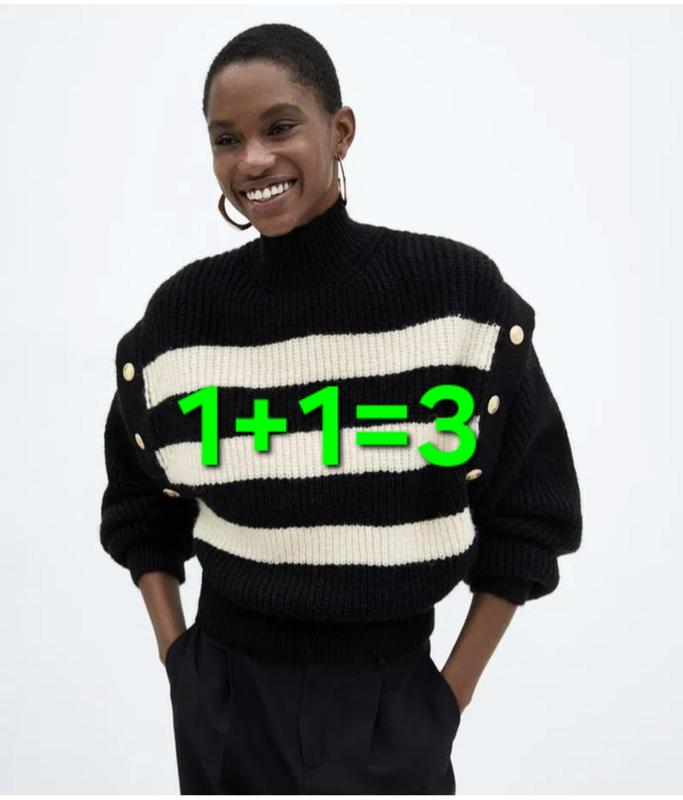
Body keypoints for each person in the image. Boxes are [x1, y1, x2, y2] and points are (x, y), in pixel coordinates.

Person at [99, 22, 583, 795]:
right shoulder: (182, 319)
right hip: (226, 699)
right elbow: (137, 506)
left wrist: (445, 699)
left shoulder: (455, 300)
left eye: (279, 126)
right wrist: (181, 665)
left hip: (392, 700)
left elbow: (529, 513)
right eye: (226, 139)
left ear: (341, 130)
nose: (252, 159)